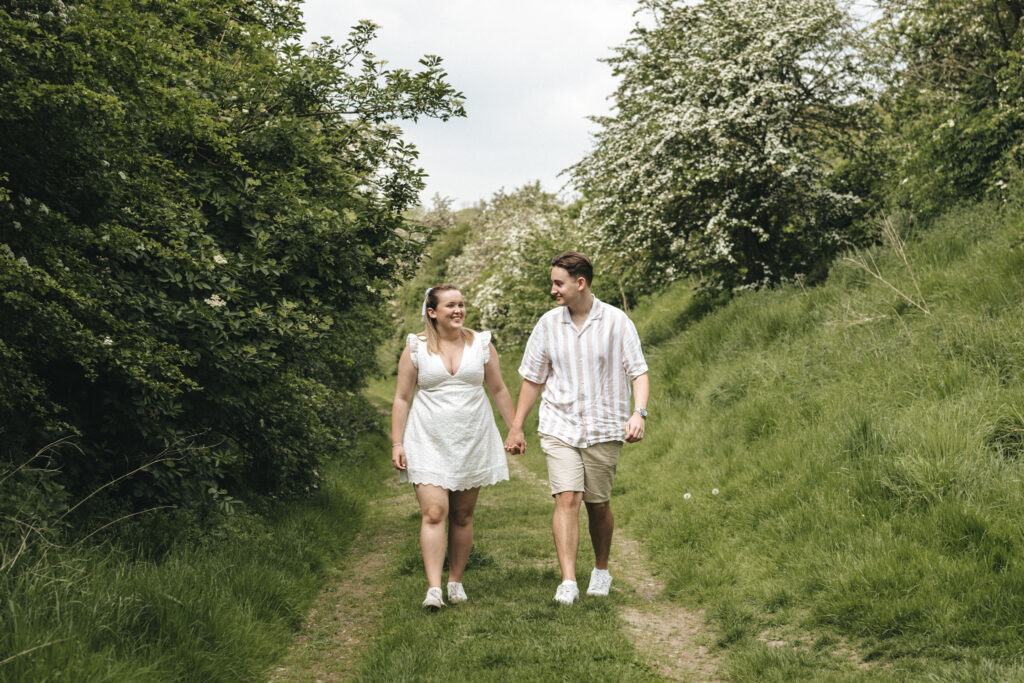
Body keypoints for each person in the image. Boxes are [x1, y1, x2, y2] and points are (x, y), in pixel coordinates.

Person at [504, 251, 649, 605]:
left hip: (604, 425)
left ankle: (600, 569)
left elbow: (638, 371)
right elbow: (533, 380)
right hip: (559, 424)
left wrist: (638, 413)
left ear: (579, 283)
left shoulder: (617, 321)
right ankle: (568, 580)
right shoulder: (547, 325)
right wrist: (516, 426)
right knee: (567, 497)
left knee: (597, 504)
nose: (552, 289)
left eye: (558, 283)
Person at [391, 284, 516, 610]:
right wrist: (397, 442)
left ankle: (456, 581)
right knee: (435, 512)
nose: (459, 310)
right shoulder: (415, 347)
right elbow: (402, 398)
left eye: (461, 304)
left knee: (462, 514)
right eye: (450, 306)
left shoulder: (481, 344)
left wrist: (515, 429)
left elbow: (499, 389)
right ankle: (434, 589)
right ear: (432, 312)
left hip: (471, 438)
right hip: (427, 439)